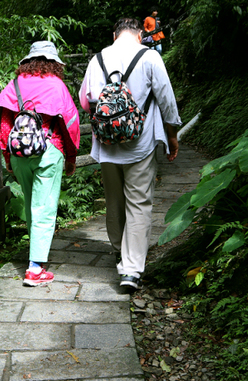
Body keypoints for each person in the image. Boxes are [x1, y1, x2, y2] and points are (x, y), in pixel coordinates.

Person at [79, 18, 181, 290]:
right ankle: (131, 271)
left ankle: (117, 250)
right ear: (139, 36)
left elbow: (85, 100)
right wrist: (171, 135)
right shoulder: (149, 57)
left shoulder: (98, 58)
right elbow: (166, 98)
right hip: (141, 142)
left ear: (114, 35)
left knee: (114, 200)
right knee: (138, 202)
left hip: (107, 145)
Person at [0, 41, 80, 286]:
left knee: (32, 204)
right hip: (49, 150)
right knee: (45, 206)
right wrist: (70, 159)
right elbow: (69, 124)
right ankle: (35, 269)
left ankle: (35, 258)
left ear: (28, 62)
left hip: (19, 153)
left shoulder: (15, 84)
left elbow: (5, 124)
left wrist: (8, 157)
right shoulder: (56, 85)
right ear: (53, 63)